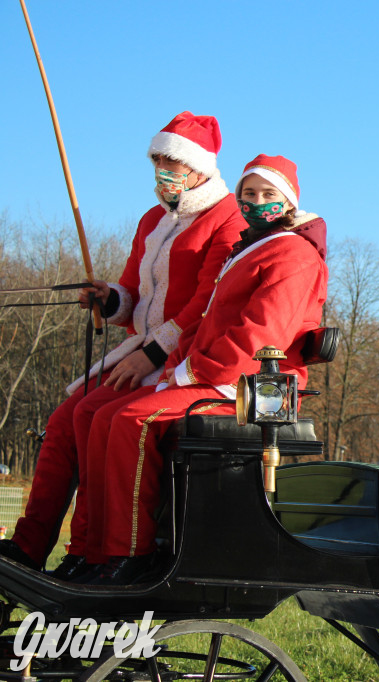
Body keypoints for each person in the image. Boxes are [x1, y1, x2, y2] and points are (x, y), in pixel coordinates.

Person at [0, 112, 245, 579]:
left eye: (171, 161)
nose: (162, 170)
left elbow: (206, 303)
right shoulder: (153, 219)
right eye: (157, 160)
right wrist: (109, 299)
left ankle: (95, 552)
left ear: (199, 167)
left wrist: (150, 354)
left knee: (93, 416)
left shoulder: (227, 218)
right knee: (63, 421)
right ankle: (30, 546)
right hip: (139, 349)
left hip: (175, 357)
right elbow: (132, 292)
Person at [75, 154, 328, 584]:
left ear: (288, 201)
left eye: (268, 194)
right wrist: (176, 365)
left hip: (252, 388)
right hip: (214, 375)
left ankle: (129, 554)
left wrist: (192, 373)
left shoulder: (293, 254)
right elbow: (204, 322)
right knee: (102, 417)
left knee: (133, 420)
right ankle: (93, 551)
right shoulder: (248, 248)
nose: (256, 202)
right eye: (248, 193)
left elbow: (259, 336)